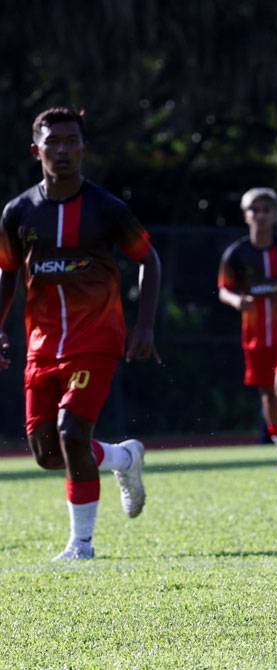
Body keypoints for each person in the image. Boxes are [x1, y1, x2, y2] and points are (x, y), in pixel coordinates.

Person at [0, 107, 160, 561]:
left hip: (97, 339)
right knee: (48, 453)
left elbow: (149, 259)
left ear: (84, 149)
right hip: (41, 346)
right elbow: (7, 272)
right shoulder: (18, 212)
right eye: (54, 142)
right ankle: (123, 458)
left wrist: (145, 325)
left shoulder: (107, 209)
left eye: (72, 141)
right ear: (37, 150)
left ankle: (81, 546)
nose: (64, 150)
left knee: (72, 433)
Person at [218, 188, 277, 471]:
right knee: (267, 393)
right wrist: (238, 301)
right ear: (246, 216)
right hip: (255, 335)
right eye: (254, 210)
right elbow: (224, 289)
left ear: (274, 214)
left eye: (266, 209)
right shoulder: (236, 253)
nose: (260, 215)